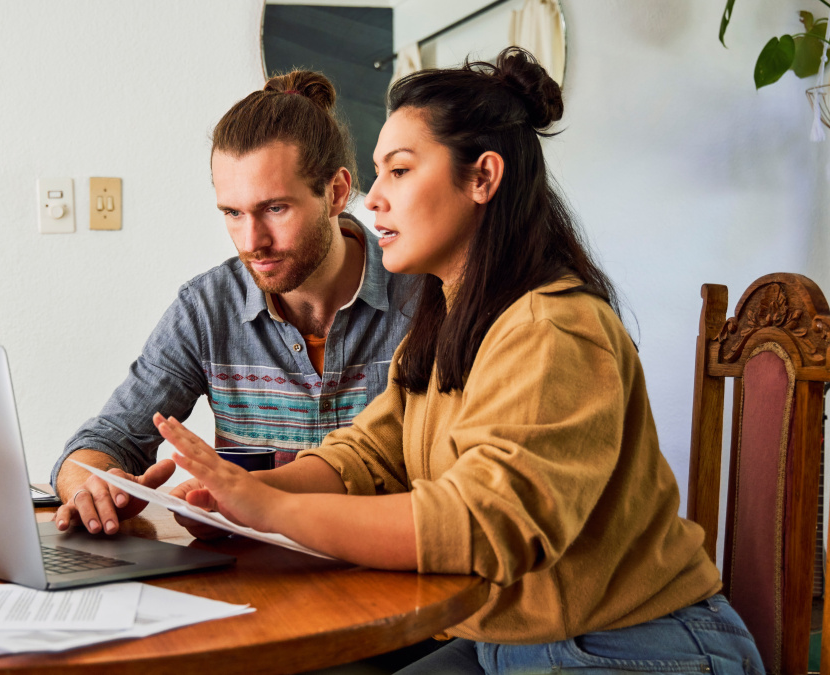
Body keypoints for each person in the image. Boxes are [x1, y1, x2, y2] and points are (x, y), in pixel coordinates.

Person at [148, 48, 765, 674]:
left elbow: (483, 523)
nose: (373, 199)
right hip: (505, 641)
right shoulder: (450, 320)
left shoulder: (553, 328)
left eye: (399, 171)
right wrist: (240, 493)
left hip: (632, 644)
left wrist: (274, 511)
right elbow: (369, 454)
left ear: (482, 178)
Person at [51, 70, 419, 537]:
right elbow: (105, 440)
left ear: (336, 193)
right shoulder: (206, 309)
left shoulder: (426, 297)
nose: (253, 242)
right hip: (253, 584)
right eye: (233, 213)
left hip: (393, 577)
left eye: (275, 209)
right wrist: (94, 485)